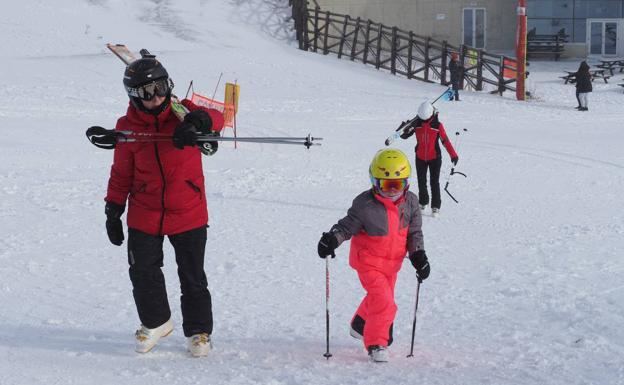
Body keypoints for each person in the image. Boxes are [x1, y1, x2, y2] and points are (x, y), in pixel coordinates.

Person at [98, 52, 224, 357]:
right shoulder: (126, 127)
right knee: (142, 271)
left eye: (160, 87)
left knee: (192, 275)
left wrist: (198, 122)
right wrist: (114, 209)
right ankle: (156, 322)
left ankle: (199, 332)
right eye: (146, 92)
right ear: (133, 96)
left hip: (188, 210)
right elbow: (121, 172)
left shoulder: (183, 113)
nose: (156, 97)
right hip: (145, 211)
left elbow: (217, 119)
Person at [316, 148, 430, 363]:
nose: (392, 191)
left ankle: (360, 323)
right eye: (387, 185)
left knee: (379, 298)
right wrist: (332, 238)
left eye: (399, 185)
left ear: (407, 182)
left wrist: (418, 255)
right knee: (385, 302)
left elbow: (414, 233)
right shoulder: (365, 204)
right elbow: (346, 226)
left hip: (393, 263)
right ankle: (376, 343)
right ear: (374, 182)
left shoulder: (412, 202)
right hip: (367, 261)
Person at [400, 101, 458, 216]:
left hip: (435, 158)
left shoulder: (437, 125)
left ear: (431, 114)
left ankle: (435, 206)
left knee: (434, 182)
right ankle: (423, 202)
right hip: (420, 157)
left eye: (426, 119)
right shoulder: (416, 124)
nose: (424, 121)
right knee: (422, 181)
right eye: (422, 119)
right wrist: (404, 127)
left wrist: (453, 155)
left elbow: (445, 141)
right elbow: (404, 135)